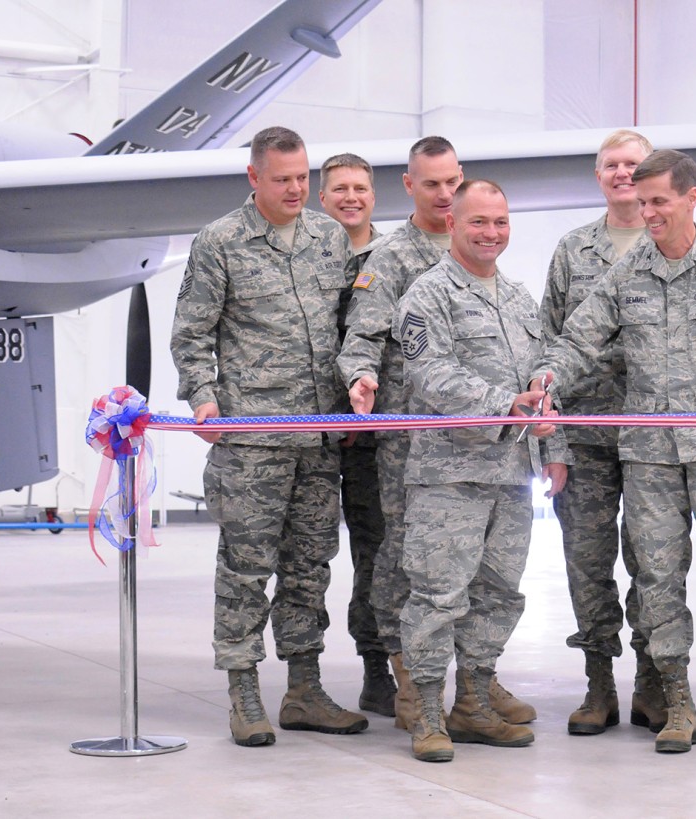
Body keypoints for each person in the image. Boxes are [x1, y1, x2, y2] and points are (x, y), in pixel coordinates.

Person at [533, 149, 696, 756]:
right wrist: (543, 385)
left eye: (658, 202)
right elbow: (579, 339)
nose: (647, 214)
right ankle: (677, 705)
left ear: (691, 198)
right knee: (659, 582)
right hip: (648, 457)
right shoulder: (627, 273)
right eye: (641, 203)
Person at [170, 126, 367, 747]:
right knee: (246, 568)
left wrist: (356, 391)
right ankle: (243, 691)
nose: (295, 189)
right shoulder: (220, 242)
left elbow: (345, 327)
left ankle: (304, 689)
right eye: (281, 178)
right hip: (252, 439)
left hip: (319, 436)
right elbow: (191, 334)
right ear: (254, 178)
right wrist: (204, 401)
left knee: (310, 567)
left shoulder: (328, 237)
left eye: (302, 177)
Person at [338, 138, 539, 732]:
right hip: (419, 443)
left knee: (489, 576)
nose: (445, 194)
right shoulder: (397, 260)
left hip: (501, 453)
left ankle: (474, 686)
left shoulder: (513, 290)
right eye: (434, 185)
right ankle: (409, 687)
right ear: (411, 186)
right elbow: (365, 339)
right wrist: (360, 377)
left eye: (454, 182)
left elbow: (534, 367)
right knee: (412, 566)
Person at [394, 179, 568, 762]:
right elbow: (430, 374)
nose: (491, 233)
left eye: (500, 221)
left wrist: (546, 412)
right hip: (450, 476)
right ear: (453, 224)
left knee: (498, 595)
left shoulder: (518, 297)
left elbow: (541, 368)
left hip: (511, 473)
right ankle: (426, 713)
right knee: (438, 597)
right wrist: (505, 404)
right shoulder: (428, 294)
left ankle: (473, 702)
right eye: (479, 222)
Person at [540, 129, 662, 736]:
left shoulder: (670, 243)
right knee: (587, 563)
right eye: (611, 164)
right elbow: (549, 345)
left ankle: (650, 684)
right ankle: (598, 685)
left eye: (633, 164)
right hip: (585, 437)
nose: (622, 173)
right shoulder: (572, 251)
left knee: (653, 562)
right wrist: (552, 441)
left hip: (651, 438)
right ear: (598, 176)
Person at [318, 152, 394, 718]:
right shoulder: (308, 254)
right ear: (324, 198)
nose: (351, 197)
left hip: (373, 436)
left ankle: (378, 670)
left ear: (374, 195)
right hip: (313, 429)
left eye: (361, 188)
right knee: (309, 556)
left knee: (377, 555)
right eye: (340, 188)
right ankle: (305, 678)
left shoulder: (392, 258)